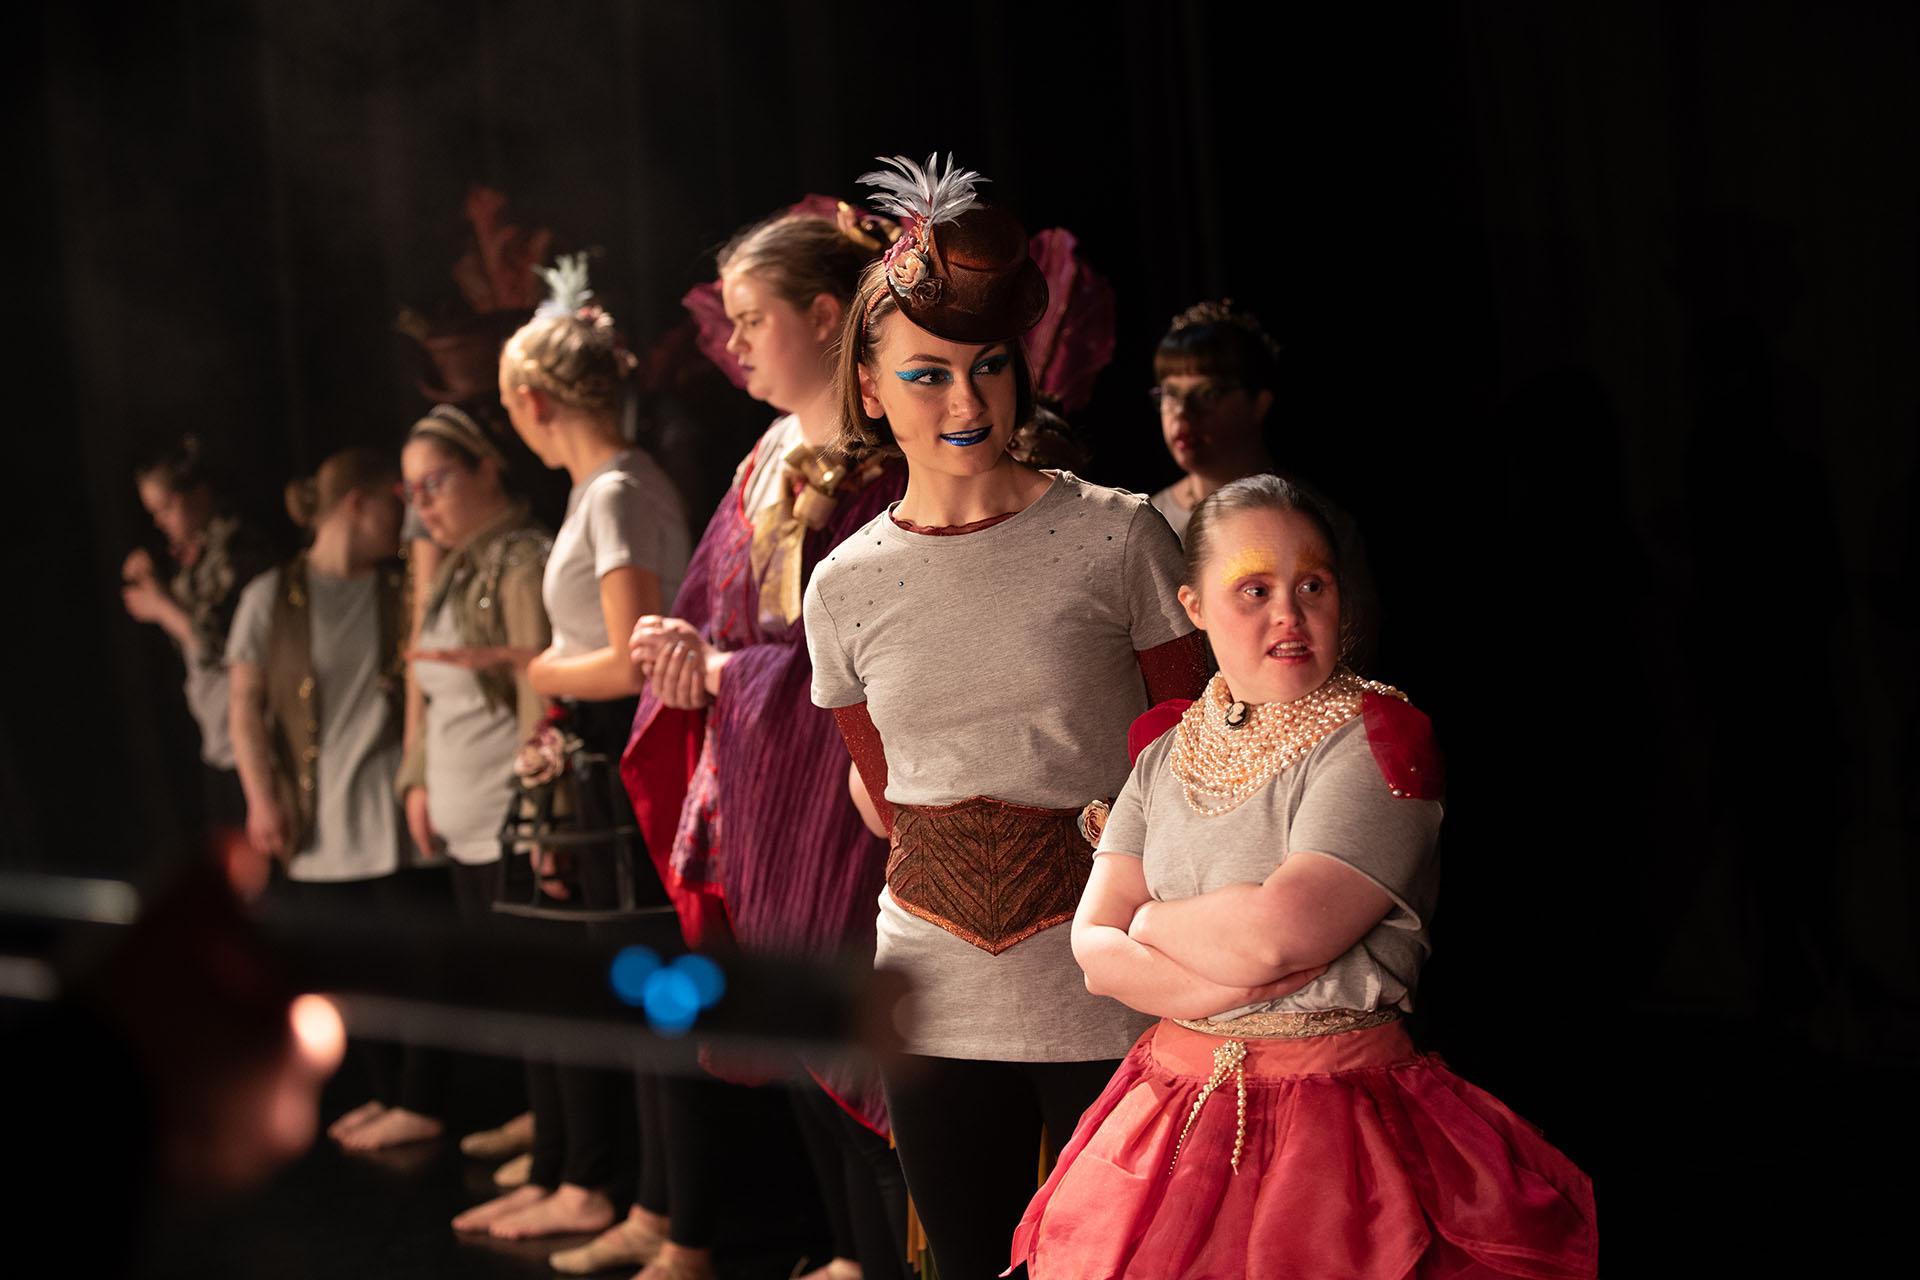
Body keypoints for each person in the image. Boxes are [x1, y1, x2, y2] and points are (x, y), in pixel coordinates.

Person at [1010, 475, 1599, 1278]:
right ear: (1193, 606)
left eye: (1312, 586)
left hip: (1333, 1119)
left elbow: (1279, 936)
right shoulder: (1165, 752)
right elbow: (1095, 953)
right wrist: (1217, 969)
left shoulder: (1377, 741)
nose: (1288, 613)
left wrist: (1150, 923)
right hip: (1172, 1108)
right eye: (1254, 590)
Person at [802, 154, 1213, 1280]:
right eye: (927, 374)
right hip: (927, 996)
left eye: (988, 366)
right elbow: (884, 794)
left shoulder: (1120, 535)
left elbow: (1197, 764)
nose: (967, 401)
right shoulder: (840, 585)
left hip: (1112, 980)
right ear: (870, 389)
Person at [614, 207, 906, 1280]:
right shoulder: (766, 454)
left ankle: (887, 1257)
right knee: (796, 1038)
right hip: (754, 782)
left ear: (825, 317)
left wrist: (725, 673)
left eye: (750, 319)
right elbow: (717, 606)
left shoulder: (884, 469)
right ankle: (847, 1251)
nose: (730, 342)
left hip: (839, 795)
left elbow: (862, 657)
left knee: (855, 1040)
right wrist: (678, 647)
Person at [451, 254, 691, 1243]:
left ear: (532, 400)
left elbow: (634, 656)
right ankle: (618, 1191)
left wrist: (541, 668)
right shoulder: (602, 489)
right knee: (614, 986)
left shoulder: (619, 490)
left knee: (644, 988)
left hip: (628, 758)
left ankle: (657, 1207)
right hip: (601, 762)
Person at [224, 446, 442, 1152]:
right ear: (357, 502)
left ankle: (421, 1101)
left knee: (419, 965)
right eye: (392, 503)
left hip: (398, 810)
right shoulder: (272, 597)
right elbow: (244, 708)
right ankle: (385, 1093)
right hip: (322, 817)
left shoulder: (401, 587)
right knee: (349, 972)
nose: (402, 519)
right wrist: (260, 798)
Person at [381, 404, 551, 1158]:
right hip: (465, 821)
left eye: (437, 483)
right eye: (411, 491)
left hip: (506, 818)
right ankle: (544, 1119)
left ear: (487, 469)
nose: (423, 505)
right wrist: (418, 781)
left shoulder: (519, 560)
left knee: (538, 986)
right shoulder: (452, 565)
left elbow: (537, 696)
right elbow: (427, 683)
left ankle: (566, 1148)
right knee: (511, 984)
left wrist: (540, 810)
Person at [122, 435, 276, 887]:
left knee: (260, 867)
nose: (161, 522)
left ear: (199, 493)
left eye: (167, 507)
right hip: (217, 733)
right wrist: (155, 581)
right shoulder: (190, 554)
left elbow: (228, 646)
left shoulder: (242, 549)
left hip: (253, 731)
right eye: (153, 513)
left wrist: (161, 608)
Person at [1147, 300, 1284, 543]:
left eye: (1208, 394)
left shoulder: (1307, 518)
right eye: (1171, 394)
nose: (1182, 411)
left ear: (1259, 404)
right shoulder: (1151, 522)